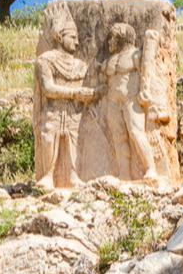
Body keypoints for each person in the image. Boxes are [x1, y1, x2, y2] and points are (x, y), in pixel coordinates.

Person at [34, 10, 96, 188]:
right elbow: (48, 89)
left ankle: (73, 175)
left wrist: (94, 93)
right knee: (49, 139)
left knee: (74, 141)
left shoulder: (80, 65)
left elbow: (88, 87)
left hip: (74, 112)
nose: (77, 42)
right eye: (73, 37)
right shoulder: (45, 60)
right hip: (52, 110)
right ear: (60, 37)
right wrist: (74, 94)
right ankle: (47, 176)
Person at [101, 22, 164, 181]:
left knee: (136, 133)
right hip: (113, 101)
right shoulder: (111, 59)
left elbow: (148, 72)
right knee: (118, 137)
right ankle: (124, 173)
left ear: (122, 38)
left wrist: (147, 92)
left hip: (131, 99)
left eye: (113, 38)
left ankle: (151, 168)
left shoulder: (136, 55)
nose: (109, 42)